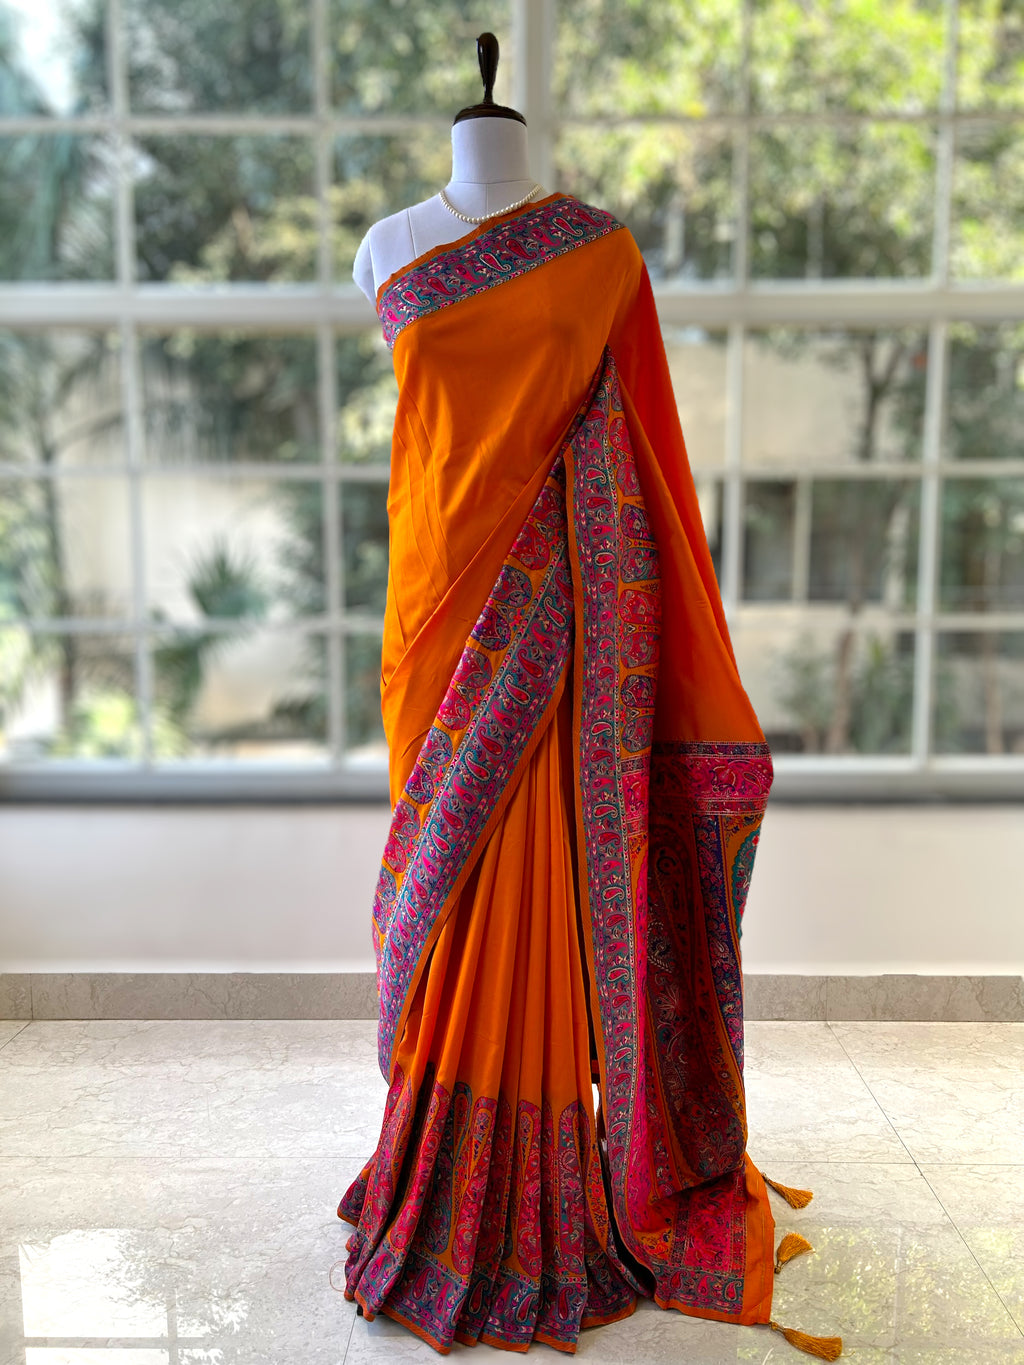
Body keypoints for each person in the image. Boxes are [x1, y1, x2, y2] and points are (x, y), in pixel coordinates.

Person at [336, 40, 842, 1362]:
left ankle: (542, 1161)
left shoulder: (603, 254)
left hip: (557, 632)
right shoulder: (385, 246)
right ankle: (432, 1144)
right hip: (436, 628)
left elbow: (645, 461)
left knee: (538, 892)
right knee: (438, 900)